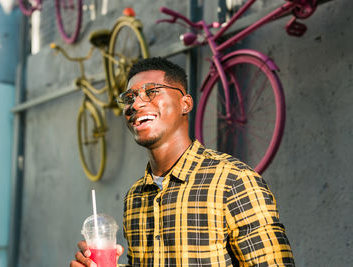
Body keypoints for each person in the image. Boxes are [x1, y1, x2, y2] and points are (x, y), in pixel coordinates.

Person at [71, 57, 295, 266]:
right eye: (129, 98)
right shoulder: (135, 197)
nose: (136, 104)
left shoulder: (233, 181)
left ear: (185, 104)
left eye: (151, 92)